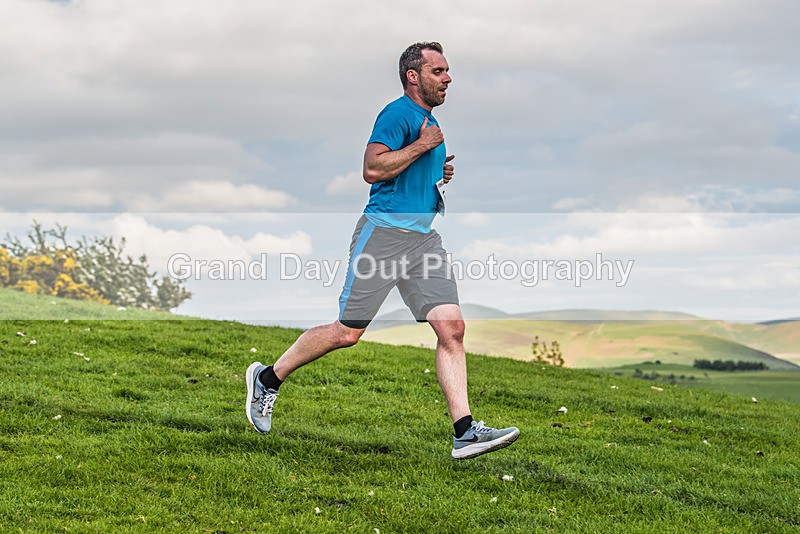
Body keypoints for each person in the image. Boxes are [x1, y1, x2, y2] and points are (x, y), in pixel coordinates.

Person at [246, 42, 519, 459]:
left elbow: (405, 170)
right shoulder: (398, 114)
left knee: (452, 329)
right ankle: (268, 378)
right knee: (347, 333)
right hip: (384, 237)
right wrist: (422, 148)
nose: (448, 78)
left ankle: (464, 431)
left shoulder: (427, 123)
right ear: (414, 76)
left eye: (448, 71)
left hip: (423, 240)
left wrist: (436, 171)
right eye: (439, 71)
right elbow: (372, 169)